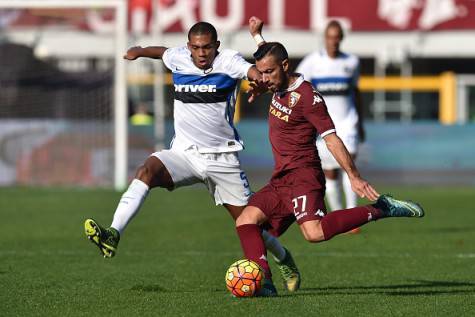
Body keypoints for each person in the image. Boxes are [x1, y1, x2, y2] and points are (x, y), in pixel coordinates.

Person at [83, 21, 301, 293]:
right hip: (184, 154)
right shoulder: (178, 58)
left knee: (251, 223)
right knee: (146, 171)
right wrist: (139, 51)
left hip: (222, 159)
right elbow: (161, 51)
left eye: (207, 47)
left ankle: (282, 259)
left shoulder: (229, 62)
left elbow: (252, 70)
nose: (201, 53)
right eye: (196, 47)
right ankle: (113, 233)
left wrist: (258, 78)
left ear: (216, 46)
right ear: (189, 47)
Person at [236, 17, 424, 296]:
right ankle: (265, 283)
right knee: (245, 222)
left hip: (304, 176)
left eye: (269, 73)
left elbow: (331, 138)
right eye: (261, 73)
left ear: (285, 67)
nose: (263, 79)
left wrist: (354, 175)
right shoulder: (275, 79)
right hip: (282, 177)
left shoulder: (308, 97)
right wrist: (257, 37)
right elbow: (269, 55)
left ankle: (382, 209)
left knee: (314, 234)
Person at [296, 20, 364, 233]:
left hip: (348, 122)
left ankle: (353, 216)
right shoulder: (311, 62)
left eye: (337, 37)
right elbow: (296, 87)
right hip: (323, 125)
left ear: (341, 38)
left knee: (349, 165)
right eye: (330, 37)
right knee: (331, 172)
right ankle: (339, 215)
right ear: (324, 38)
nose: (333, 41)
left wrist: (361, 122)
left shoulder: (352, 62)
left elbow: (356, 93)